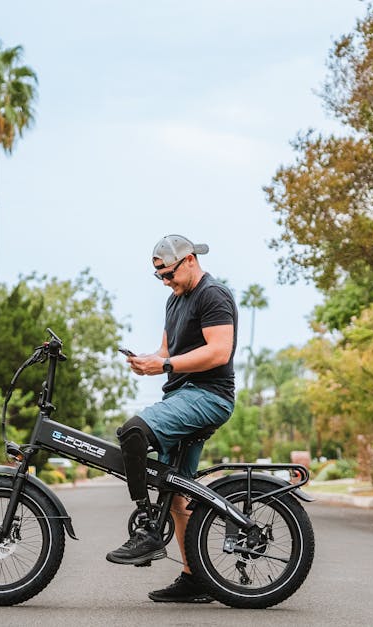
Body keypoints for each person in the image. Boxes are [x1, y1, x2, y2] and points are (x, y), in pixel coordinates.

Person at [105, 234, 238, 604]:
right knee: (175, 490)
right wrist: (148, 363)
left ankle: (147, 528)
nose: (166, 282)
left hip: (208, 397)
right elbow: (167, 352)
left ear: (190, 260)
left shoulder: (213, 295)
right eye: (160, 277)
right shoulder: (173, 301)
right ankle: (194, 578)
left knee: (133, 431)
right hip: (181, 396)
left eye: (169, 274)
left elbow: (218, 351)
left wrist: (164, 364)